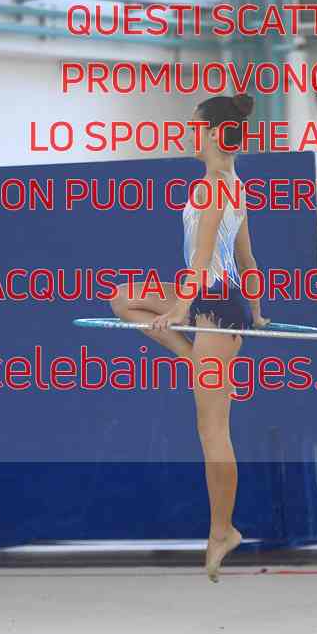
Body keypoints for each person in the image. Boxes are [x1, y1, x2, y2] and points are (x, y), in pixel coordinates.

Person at [111, 93, 269, 582]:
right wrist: (257, 312)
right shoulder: (232, 184)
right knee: (124, 299)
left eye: (193, 127)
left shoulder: (214, 188)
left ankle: (223, 530)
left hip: (214, 308)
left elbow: (203, 260)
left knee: (212, 430)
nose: (187, 134)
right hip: (216, 301)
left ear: (214, 133)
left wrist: (182, 308)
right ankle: (190, 357)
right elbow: (247, 260)